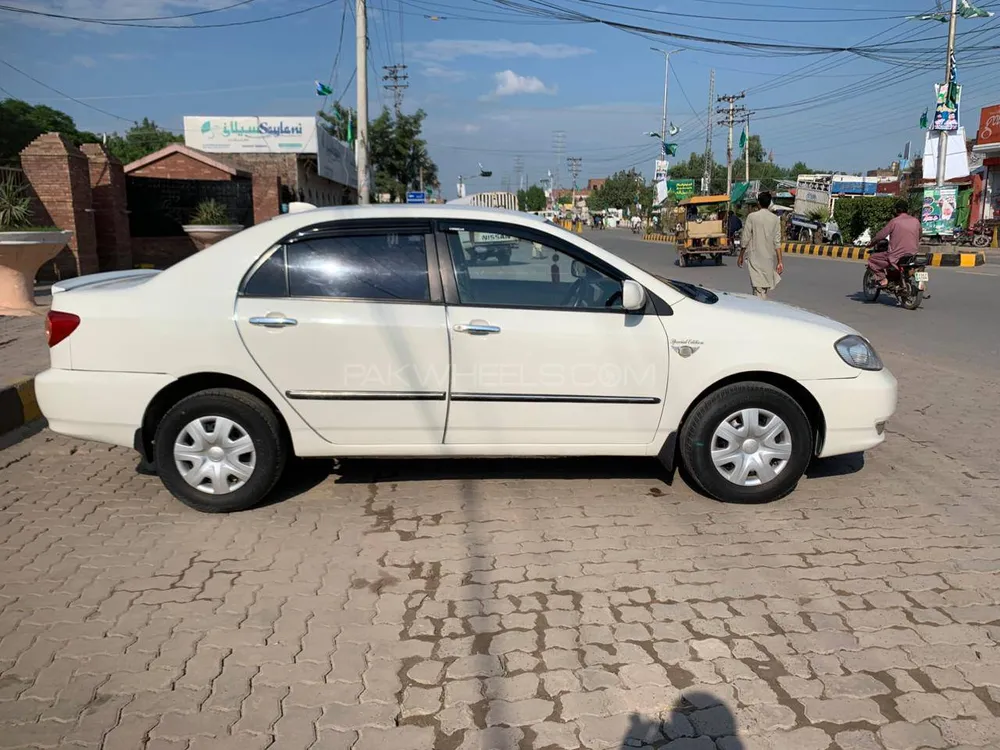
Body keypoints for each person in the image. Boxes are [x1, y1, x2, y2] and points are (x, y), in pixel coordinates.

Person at [739, 191, 783, 299]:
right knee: (762, 288)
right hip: (768, 259)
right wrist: (780, 262)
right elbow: (777, 242)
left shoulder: (752, 217)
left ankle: (760, 307)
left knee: (758, 288)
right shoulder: (775, 219)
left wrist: (741, 255)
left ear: (758, 203)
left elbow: (745, 238)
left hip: (755, 258)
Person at [868, 199, 920, 287]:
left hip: (896, 255)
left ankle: (882, 278)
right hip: (912, 255)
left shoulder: (894, 221)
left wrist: (871, 243)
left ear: (896, 210)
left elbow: (881, 235)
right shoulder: (916, 221)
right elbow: (919, 235)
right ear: (907, 210)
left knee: (872, 259)